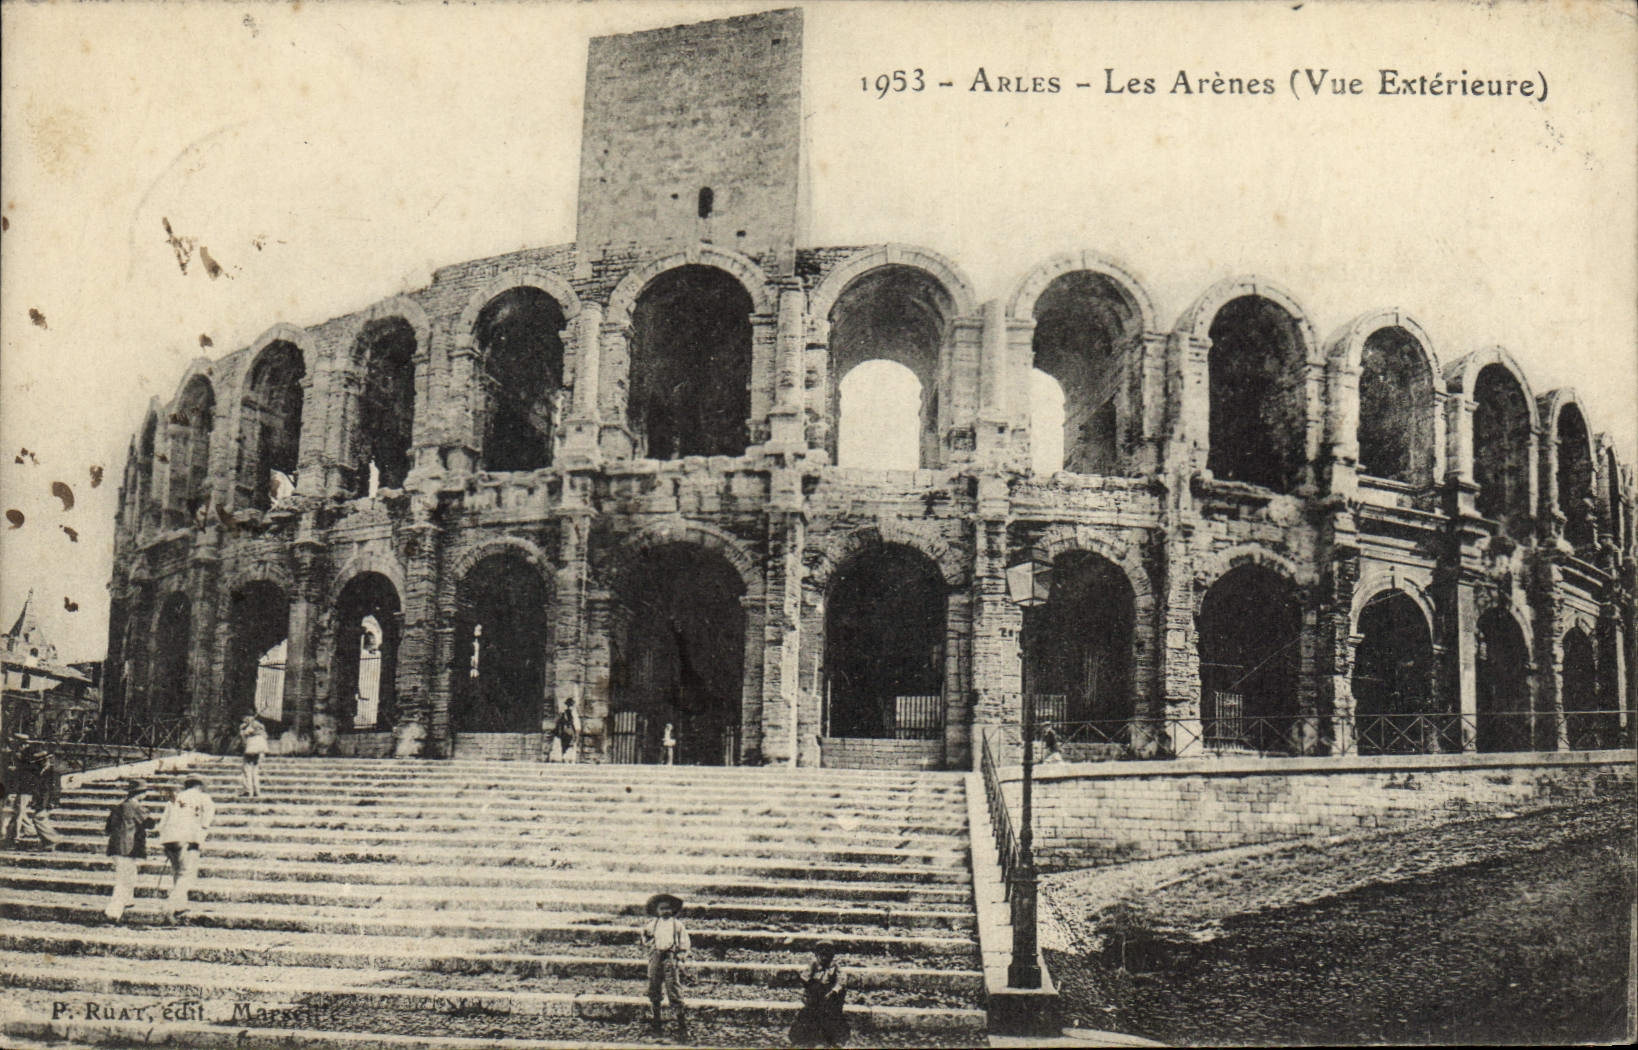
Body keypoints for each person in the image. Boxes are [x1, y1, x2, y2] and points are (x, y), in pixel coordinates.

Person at [155, 774, 215, 922]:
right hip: (188, 839)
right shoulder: (204, 798)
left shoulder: (174, 798)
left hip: (169, 839)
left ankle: (180, 905)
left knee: (177, 872)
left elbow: (162, 823)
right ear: (199, 785)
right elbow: (205, 822)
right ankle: (169, 906)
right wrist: (199, 841)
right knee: (187, 874)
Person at [3, 735, 66, 849]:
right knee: (34, 818)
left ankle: (52, 840)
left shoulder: (50, 772)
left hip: (38, 798)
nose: (40, 763)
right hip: (36, 798)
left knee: (33, 817)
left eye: (42, 761)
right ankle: (48, 841)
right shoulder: (41, 770)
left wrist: (52, 802)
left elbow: (53, 789)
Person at [640, 891, 690, 1037]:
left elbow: (684, 942)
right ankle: (656, 1020)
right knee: (654, 986)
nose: (665, 911)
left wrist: (680, 956)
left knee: (673, 987)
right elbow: (645, 936)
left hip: (670, 957)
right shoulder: (653, 924)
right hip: (656, 957)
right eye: (662, 909)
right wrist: (650, 943)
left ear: (673, 910)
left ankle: (681, 1023)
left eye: (668, 908)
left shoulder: (677, 925)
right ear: (656, 911)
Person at [104, 779, 154, 922]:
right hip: (128, 847)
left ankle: (128, 900)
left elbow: (107, 828)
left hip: (115, 846)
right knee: (124, 879)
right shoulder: (135, 806)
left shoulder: (119, 806)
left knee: (129, 875)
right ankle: (113, 911)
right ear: (141, 793)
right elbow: (150, 823)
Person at [789, 944, 850, 1048]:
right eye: (821, 954)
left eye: (827, 954)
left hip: (829, 996)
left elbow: (842, 981)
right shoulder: (813, 965)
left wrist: (833, 991)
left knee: (833, 1016)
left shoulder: (835, 967)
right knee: (807, 1015)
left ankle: (834, 1038)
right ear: (817, 955)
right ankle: (804, 1038)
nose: (824, 957)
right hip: (816, 995)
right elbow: (806, 978)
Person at [238, 715, 268, 798]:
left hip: (249, 750)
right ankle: (256, 791)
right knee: (255, 771)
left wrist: (242, 731)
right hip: (259, 751)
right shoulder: (261, 730)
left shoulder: (246, 730)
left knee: (247, 770)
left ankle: (248, 791)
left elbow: (243, 741)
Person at [553, 699, 580, 764]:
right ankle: (570, 759)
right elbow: (574, 723)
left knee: (564, 746)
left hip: (564, 732)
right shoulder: (572, 713)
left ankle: (565, 758)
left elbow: (559, 722)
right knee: (571, 745)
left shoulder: (563, 713)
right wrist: (576, 733)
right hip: (570, 731)